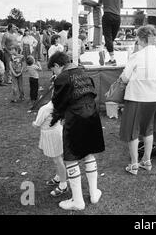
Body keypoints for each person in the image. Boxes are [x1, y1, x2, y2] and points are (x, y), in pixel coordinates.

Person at [48, 51, 105, 211]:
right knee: (88, 152)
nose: (54, 73)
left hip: (75, 116)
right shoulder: (83, 71)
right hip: (92, 114)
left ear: (58, 65)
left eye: (53, 69)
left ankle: (77, 201)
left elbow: (58, 102)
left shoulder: (62, 77)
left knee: (71, 157)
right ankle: (94, 194)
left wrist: (55, 118)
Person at [119, 25, 156, 175]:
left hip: (137, 97)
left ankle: (134, 164)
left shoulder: (136, 56)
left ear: (141, 39)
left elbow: (124, 77)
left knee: (133, 131)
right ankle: (146, 160)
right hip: (154, 97)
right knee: (148, 130)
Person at [32, 101, 68, 197]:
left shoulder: (45, 109)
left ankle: (63, 185)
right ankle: (58, 177)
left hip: (52, 135)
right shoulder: (61, 104)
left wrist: (33, 123)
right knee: (57, 158)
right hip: (57, 131)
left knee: (58, 160)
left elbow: (37, 124)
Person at [98, 0, 124, 66]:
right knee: (111, 39)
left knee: (108, 37)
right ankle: (105, 52)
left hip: (107, 16)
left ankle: (111, 58)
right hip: (117, 17)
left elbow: (99, 4)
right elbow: (122, 6)